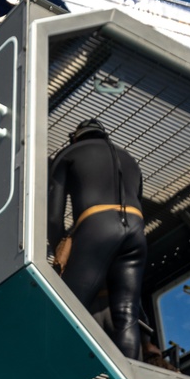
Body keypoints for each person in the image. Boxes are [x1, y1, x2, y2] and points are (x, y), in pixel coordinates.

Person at [47, 118, 147, 360]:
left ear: (75, 137)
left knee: (68, 307)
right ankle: (129, 373)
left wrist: (61, 247)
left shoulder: (70, 153)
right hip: (136, 229)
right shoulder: (130, 160)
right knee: (126, 314)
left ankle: (67, 371)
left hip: (96, 226)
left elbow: (53, 217)